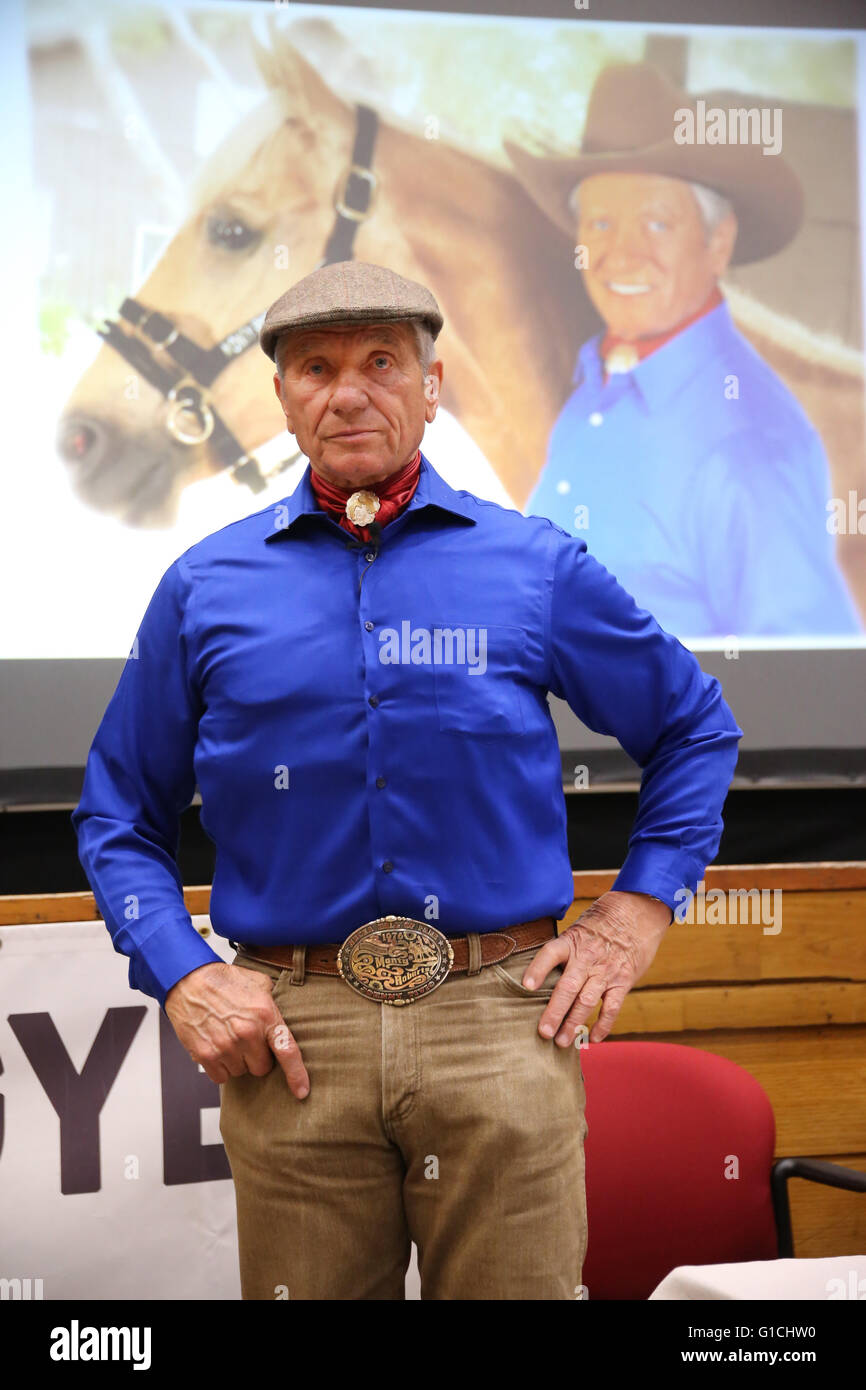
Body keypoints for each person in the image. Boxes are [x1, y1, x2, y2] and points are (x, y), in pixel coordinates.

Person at [72, 259, 742, 1300]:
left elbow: (693, 726)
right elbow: (118, 811)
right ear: (281, 398)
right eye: (314, 367)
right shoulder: (203, 587)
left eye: (382, 362)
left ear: (432, 386)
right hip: (294, 1039)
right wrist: (183, 970)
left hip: (499, 1022)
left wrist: (634, 913)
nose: (348, 391)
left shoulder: (534, 566)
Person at [506, 62, 861, 638]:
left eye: (656, 224)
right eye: (599, 222)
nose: (620, 254)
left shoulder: (749, 446)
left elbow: (802, 695)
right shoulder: (594, 389)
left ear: (717, 242)